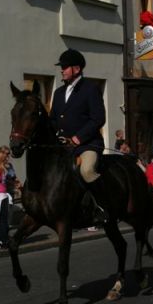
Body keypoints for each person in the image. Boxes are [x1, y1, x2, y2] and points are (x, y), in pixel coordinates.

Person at [49, 48, 107, 217]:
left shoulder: (90, 89)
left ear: (77, 69)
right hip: (64, 147)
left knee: (87, 171)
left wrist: (77, 138)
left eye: (65, 67)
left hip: (87, 145)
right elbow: (53, 119)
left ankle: (102, 207)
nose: (62, 70)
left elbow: (98, 119)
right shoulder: (59, 93)